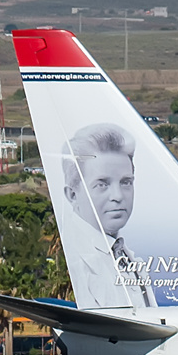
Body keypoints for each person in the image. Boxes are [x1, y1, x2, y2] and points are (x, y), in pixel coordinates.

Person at [60, 124, 153, 308]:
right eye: (102, 185)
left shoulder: (125, 255)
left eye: (126, 182)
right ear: (72, 195)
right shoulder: (77, 263)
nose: (118, 196)